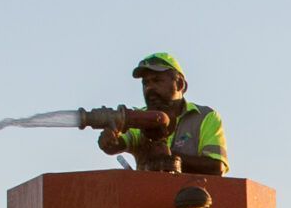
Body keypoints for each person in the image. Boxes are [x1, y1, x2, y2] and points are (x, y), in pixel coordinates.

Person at [97, 52, 229, 175]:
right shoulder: (140, 118)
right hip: (149, 196)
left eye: (157, 80)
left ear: (180, 84)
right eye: (145, 83)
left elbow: (216, 167)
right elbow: (118, 144)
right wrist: (110, 140)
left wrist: (169, 157)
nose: (149, 88)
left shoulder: (204, 117)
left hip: (193, 198)